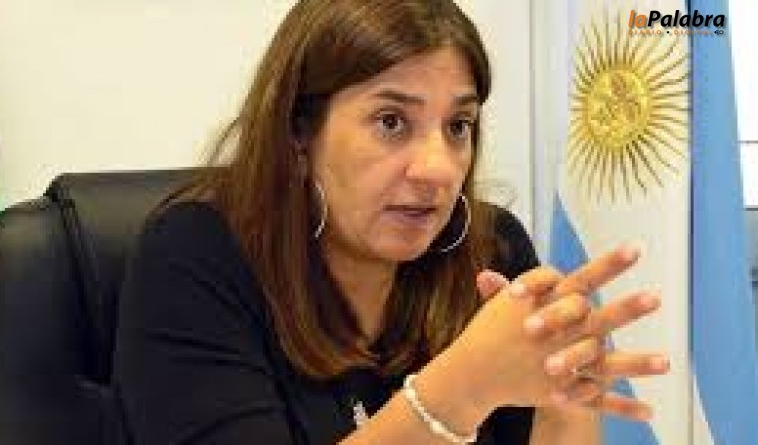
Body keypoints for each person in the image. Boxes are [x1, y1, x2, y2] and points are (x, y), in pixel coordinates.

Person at [113, 1, 669, 444]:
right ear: (299, 133)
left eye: (458, 126)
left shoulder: (493, 250)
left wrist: (563, 401)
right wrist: (461, 389)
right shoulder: (195, 257)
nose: (438, 169)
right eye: (391, 121)